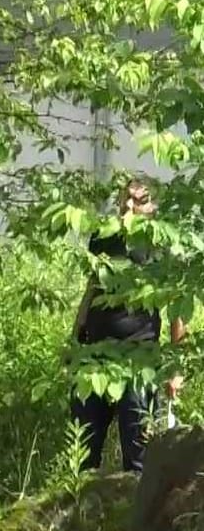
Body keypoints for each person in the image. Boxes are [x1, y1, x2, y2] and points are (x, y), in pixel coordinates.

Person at [71, 179, 188, 472]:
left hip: (140, 359)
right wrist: (75, 339)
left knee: (139, 452)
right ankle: (82, 511)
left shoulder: (162, 247)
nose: (129, 205)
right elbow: (91, 288)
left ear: (153, 207)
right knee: (82, 448)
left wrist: (175, 370)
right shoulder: (103, 238)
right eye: (125, 199)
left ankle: (135, 513)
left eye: (139, 200)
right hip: (94, 357)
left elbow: (177, 313)